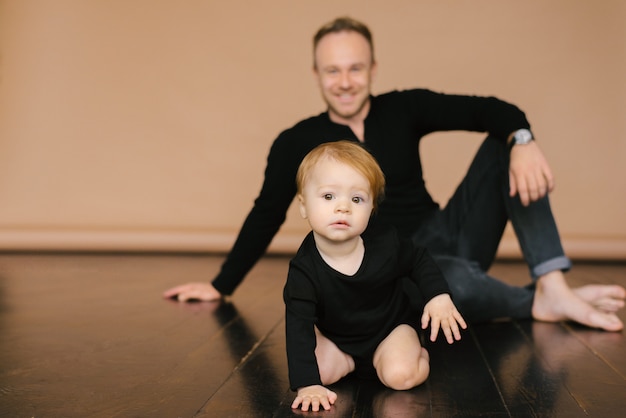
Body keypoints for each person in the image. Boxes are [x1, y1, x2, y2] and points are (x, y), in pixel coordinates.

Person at [164, 16, 625, 331]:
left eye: (355, 68)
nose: (344, 81)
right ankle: (541, 303)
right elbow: (265, 213)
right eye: (332, 71)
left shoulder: (403, 107)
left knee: (504, 146)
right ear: (316, 74)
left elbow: (494, 110)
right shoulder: (295, 140)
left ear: (373, 69)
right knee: (444, 287)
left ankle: (554, 285)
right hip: (391, 268)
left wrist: (521, 138)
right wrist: (221, 285)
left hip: (446, 236)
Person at [285, 141, 467, 412]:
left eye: (356, 199)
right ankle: (349, 362)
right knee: (314, 373)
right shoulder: (303, 270)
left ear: (371, 209)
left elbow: (418, 259)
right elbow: (297, 328)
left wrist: (437, 296)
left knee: (401, 376)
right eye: (328, 197)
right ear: (303, 206)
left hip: (389, 330)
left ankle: (416, 350)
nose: (343, 207)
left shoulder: (386, 242)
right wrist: (307, 384)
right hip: (338, 340)